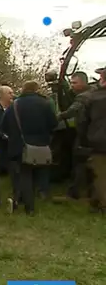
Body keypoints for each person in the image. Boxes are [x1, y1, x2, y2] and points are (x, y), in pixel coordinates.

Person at [1, 81, 58, 215]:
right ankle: (43, 194)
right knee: (41, 172)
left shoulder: (15, 105)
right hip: (42, 145)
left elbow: (3, 125)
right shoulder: (45, 104)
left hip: (21, 146)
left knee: (24, 175)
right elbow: (54, 124)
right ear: (36, 89)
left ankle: (29, 207)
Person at [55, 71, 94, 200]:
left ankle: (74, 192)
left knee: (78, 162)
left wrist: (57, 117)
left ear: (83, 83)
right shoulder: (96, 92)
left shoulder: (83, 97)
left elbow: (71, 111)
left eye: (74, 83)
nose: (71, 86)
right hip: (96, 134)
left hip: (85, 135)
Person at [79, 68, 106, 213]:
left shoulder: (92, 98)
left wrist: (83, 140)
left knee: (100, 175)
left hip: (98, 141)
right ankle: (96, 203)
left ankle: (102, 205)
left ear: (102, 79)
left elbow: (83, 121)